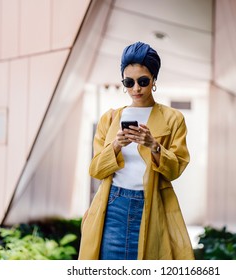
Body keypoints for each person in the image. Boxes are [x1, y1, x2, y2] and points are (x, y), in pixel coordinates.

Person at [78, 41, 194, 260]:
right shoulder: (110, 118)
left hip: (153, 205)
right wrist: (116, 146)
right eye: (129, 82)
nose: (136, 89)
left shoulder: (173, 119)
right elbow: (95, 170)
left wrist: (154, 145)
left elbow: (175, 170)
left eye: (143, 81)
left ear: (154, 80)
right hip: (113, 206)